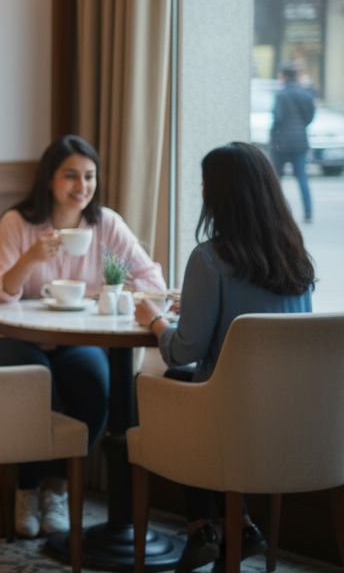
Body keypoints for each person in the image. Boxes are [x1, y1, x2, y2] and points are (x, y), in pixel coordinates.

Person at [136, 142, 313, 573]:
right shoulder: (296, 259)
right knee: (198, 398)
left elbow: (184, 350)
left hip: (233, 425)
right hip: (297, 423)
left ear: (220, 195)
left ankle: (201, 529)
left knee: (173, 386)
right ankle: (244, 528)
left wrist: (155, 320)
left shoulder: (210, 258)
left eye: (203, 185)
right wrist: (196, 304)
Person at [0, 134, 165, 539]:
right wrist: (30, 259)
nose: (82, 187)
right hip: (17, 337)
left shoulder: (105, 224)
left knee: (96, 389)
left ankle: (56, 489)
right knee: (32, 385)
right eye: (71, 176)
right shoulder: (19, 222)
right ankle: (27, 489)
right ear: (50, 178)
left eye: (89, 176)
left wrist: (106, 292)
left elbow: (151, 278)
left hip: (77, 339)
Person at [269, 64, 315, 223]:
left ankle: (275, 212)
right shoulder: (305, 94)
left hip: (282, 142)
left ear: (284, 77)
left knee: (276, 178)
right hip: (300, 141)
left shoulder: (281, 95)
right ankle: (308, 211)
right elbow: (310, 117)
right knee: (302, 176)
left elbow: (277, 116)